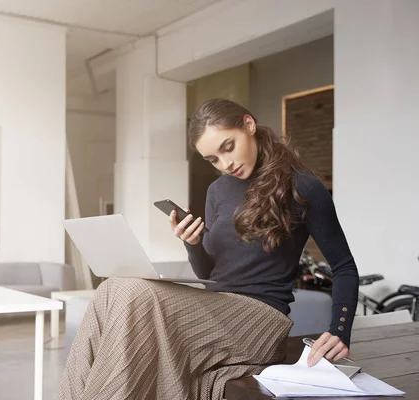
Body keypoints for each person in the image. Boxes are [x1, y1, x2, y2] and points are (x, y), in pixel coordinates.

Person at [59, 99, 359, 400]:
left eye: (228, 147)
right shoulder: (218, 190)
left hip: (259, 320)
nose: (225, 164)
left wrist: (340, 330)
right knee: (112, 287)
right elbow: (210, 275)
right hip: (215, 310)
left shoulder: (303, 186)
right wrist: (192, 244)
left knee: (131, 292)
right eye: (213, 159)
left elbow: (344, 266)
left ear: (249, 125)